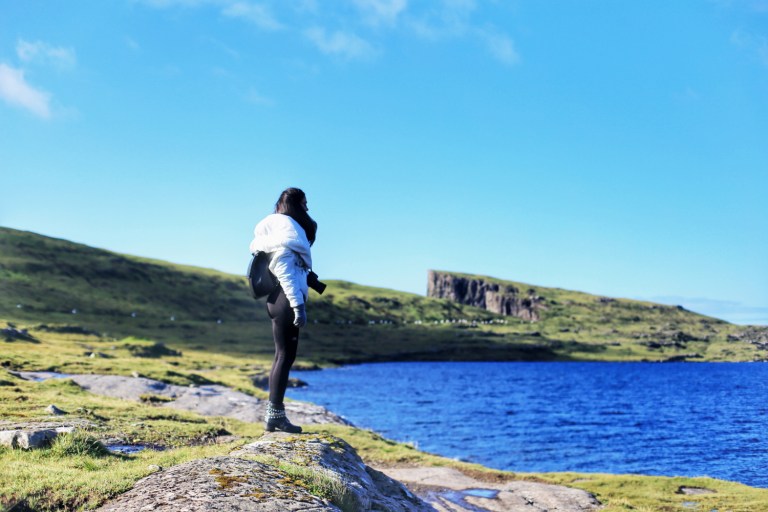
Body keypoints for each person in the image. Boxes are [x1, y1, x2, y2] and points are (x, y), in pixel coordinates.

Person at [249, 187, 317, 433]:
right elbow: (285, 271)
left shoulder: (281, 235)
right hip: (285, 300)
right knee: (284, 357)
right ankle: (275, 416)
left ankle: (275, 415)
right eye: (304, 203)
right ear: (295, 205)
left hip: (278, 300)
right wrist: (298, 305)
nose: (307, 209)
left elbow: (291, 270)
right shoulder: (286, 236)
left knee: (283, 356)